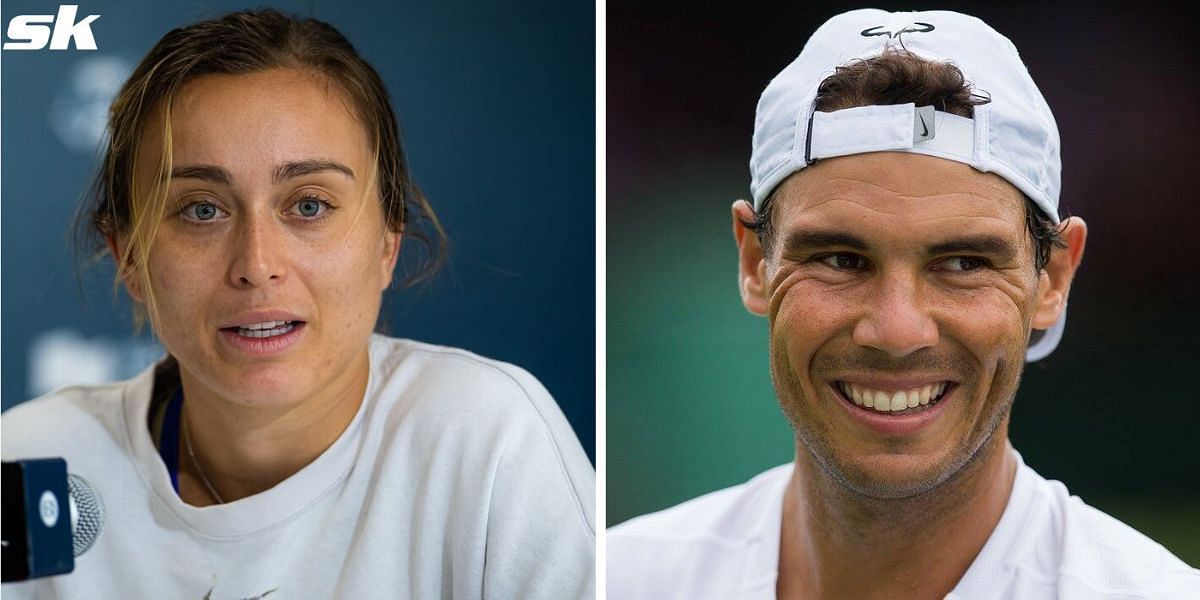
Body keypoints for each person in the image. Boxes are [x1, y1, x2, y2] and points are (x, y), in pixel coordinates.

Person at [1, 9, 594, 599]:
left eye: (308, 205)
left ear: (387, 241)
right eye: (202, 210)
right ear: (128, 255)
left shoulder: (487, 441)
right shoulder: (31, 464)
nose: (257, 265)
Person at [607, 9, 1197, 599]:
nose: (896, 330)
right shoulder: (616, 580)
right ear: (755, 264)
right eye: (840, 259)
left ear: (1053, 278)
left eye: (964, 263)